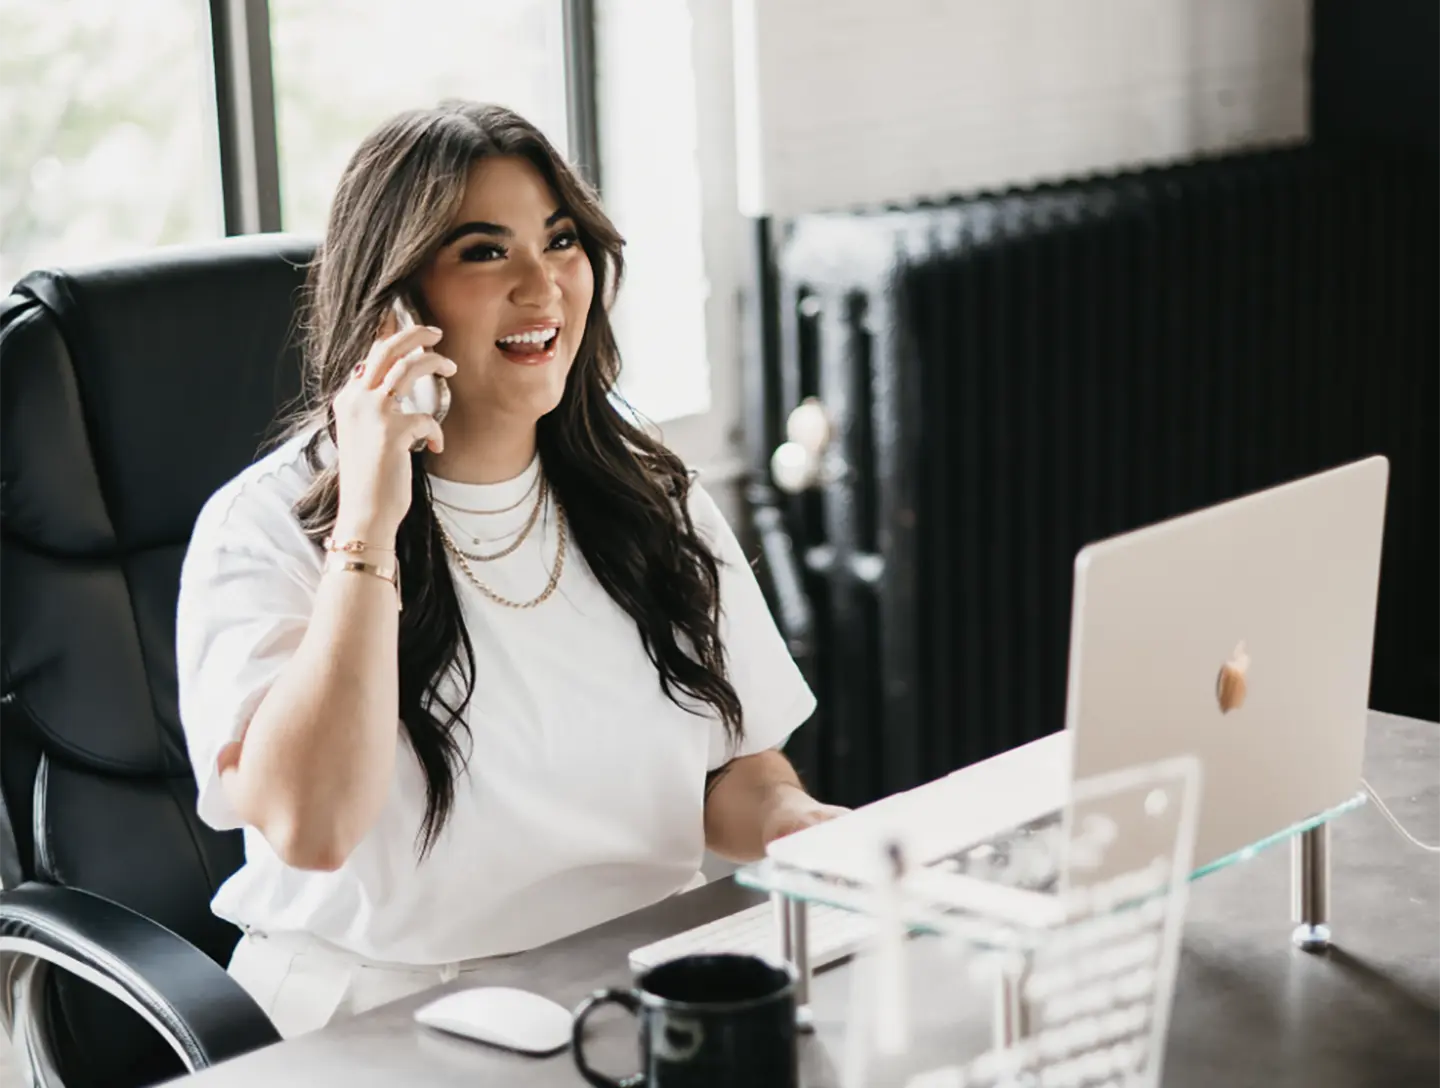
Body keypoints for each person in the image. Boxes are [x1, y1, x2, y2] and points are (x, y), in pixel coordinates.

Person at [175, 100, 843, 1038]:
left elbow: (729, 772)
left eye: (561, 241)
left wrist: (795, 824)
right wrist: (370, 520)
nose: (545, 287)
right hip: (386, 1015)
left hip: (631, 983)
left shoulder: (645, 490)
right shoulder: (267, 528)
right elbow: (311, 826)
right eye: (485, 252)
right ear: (397, 301)